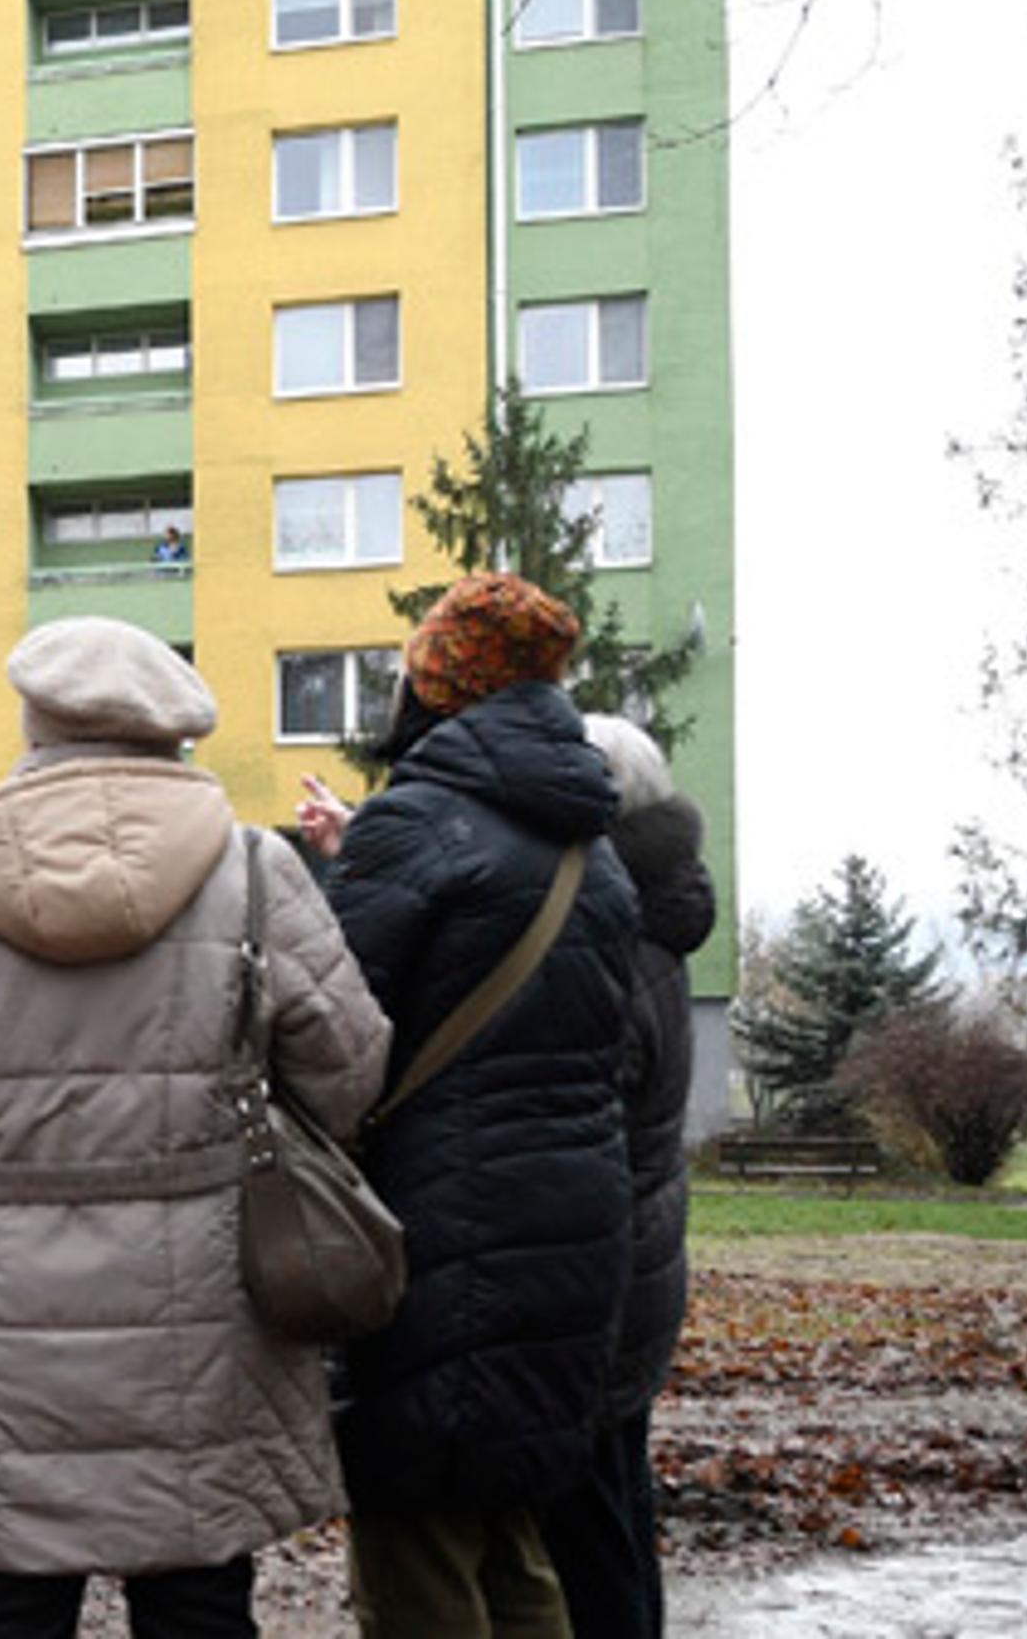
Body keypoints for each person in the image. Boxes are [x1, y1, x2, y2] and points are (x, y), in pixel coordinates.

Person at [0, 619, 389, 1639]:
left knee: (9, 1596)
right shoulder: (254, 872)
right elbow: (348, 1066)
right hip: (205, 1277)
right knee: (196, 1593)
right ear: (171, 732)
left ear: (34, 722)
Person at [295, 573, 641, 1639]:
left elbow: (336, 1027)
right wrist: (372, 850)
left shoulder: (420, 822)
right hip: (575, 1216)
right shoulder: (590, 841)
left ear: (439, 684)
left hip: (444, 1218)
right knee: (510, 1532)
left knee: (416, 1539)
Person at [536, 714, 714, 1639]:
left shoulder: (610, 939)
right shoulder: (655, 917)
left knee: (590, 1526)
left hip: (601, 1270)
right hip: (641, 1257)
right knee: (617, 1502)